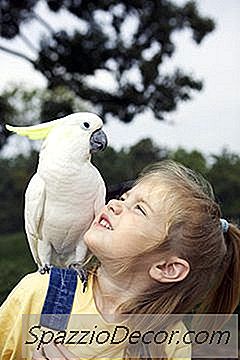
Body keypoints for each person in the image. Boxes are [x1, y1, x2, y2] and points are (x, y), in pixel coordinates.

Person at [0, 160, 239, 360]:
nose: (113, 204)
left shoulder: (170, 344)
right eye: (124, 198)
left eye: (139, 209)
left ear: (168, 268)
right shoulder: (41, 292)